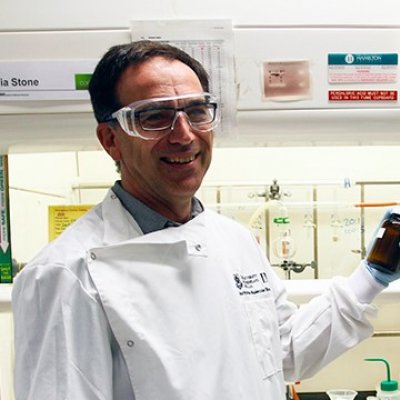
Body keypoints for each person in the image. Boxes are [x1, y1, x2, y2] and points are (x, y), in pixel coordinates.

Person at [11, 40, 400, 400]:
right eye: (154, 116)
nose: (184, 135)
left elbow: (284, 353)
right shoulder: (65, 274)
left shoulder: (233, 241)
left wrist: (373, 274)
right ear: (111, 139)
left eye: (196, 111)